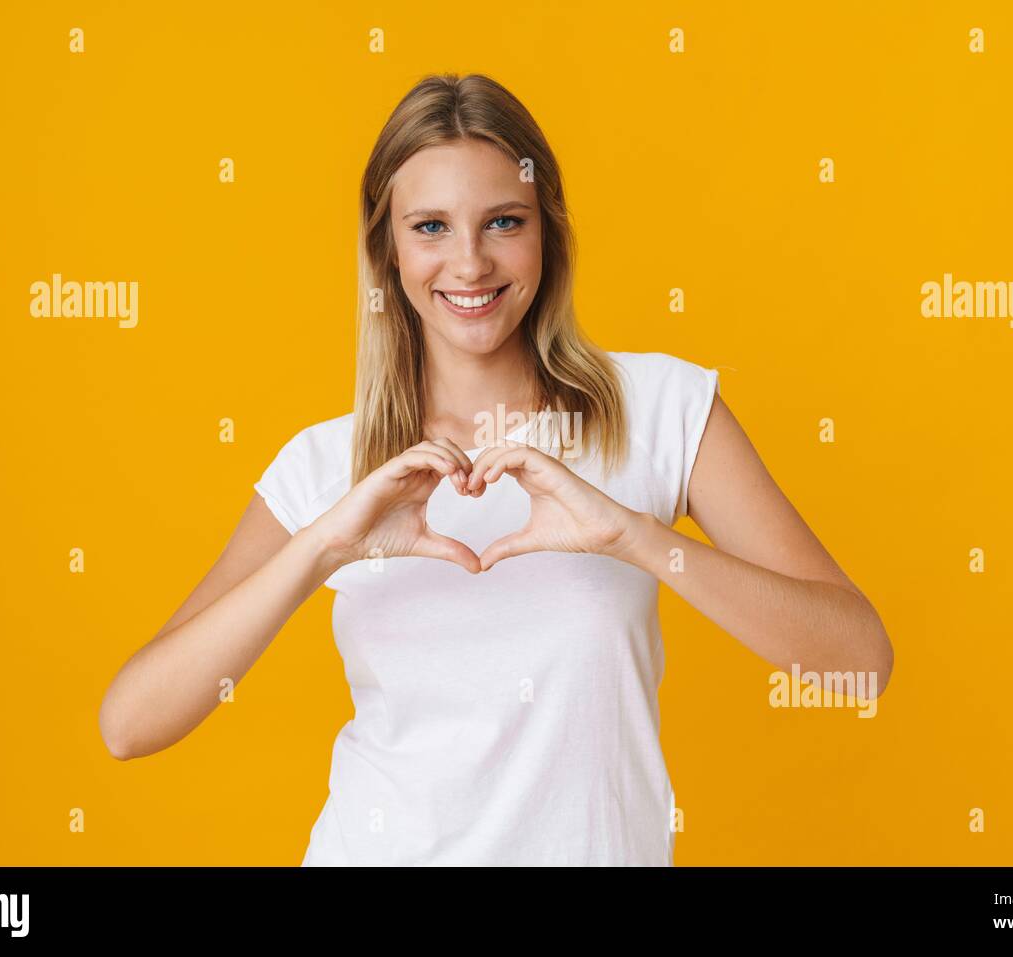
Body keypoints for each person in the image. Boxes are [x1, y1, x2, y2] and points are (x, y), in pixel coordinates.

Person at [98, 73, 893, 866]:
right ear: (389, 250)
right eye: (431, 226)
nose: (470, 263)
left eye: (503, 222)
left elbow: (860, 664)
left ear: (546, 232)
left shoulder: (661, 409)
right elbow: (129, 723)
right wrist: (322, 548)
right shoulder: (325, 466)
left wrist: (636, 537)